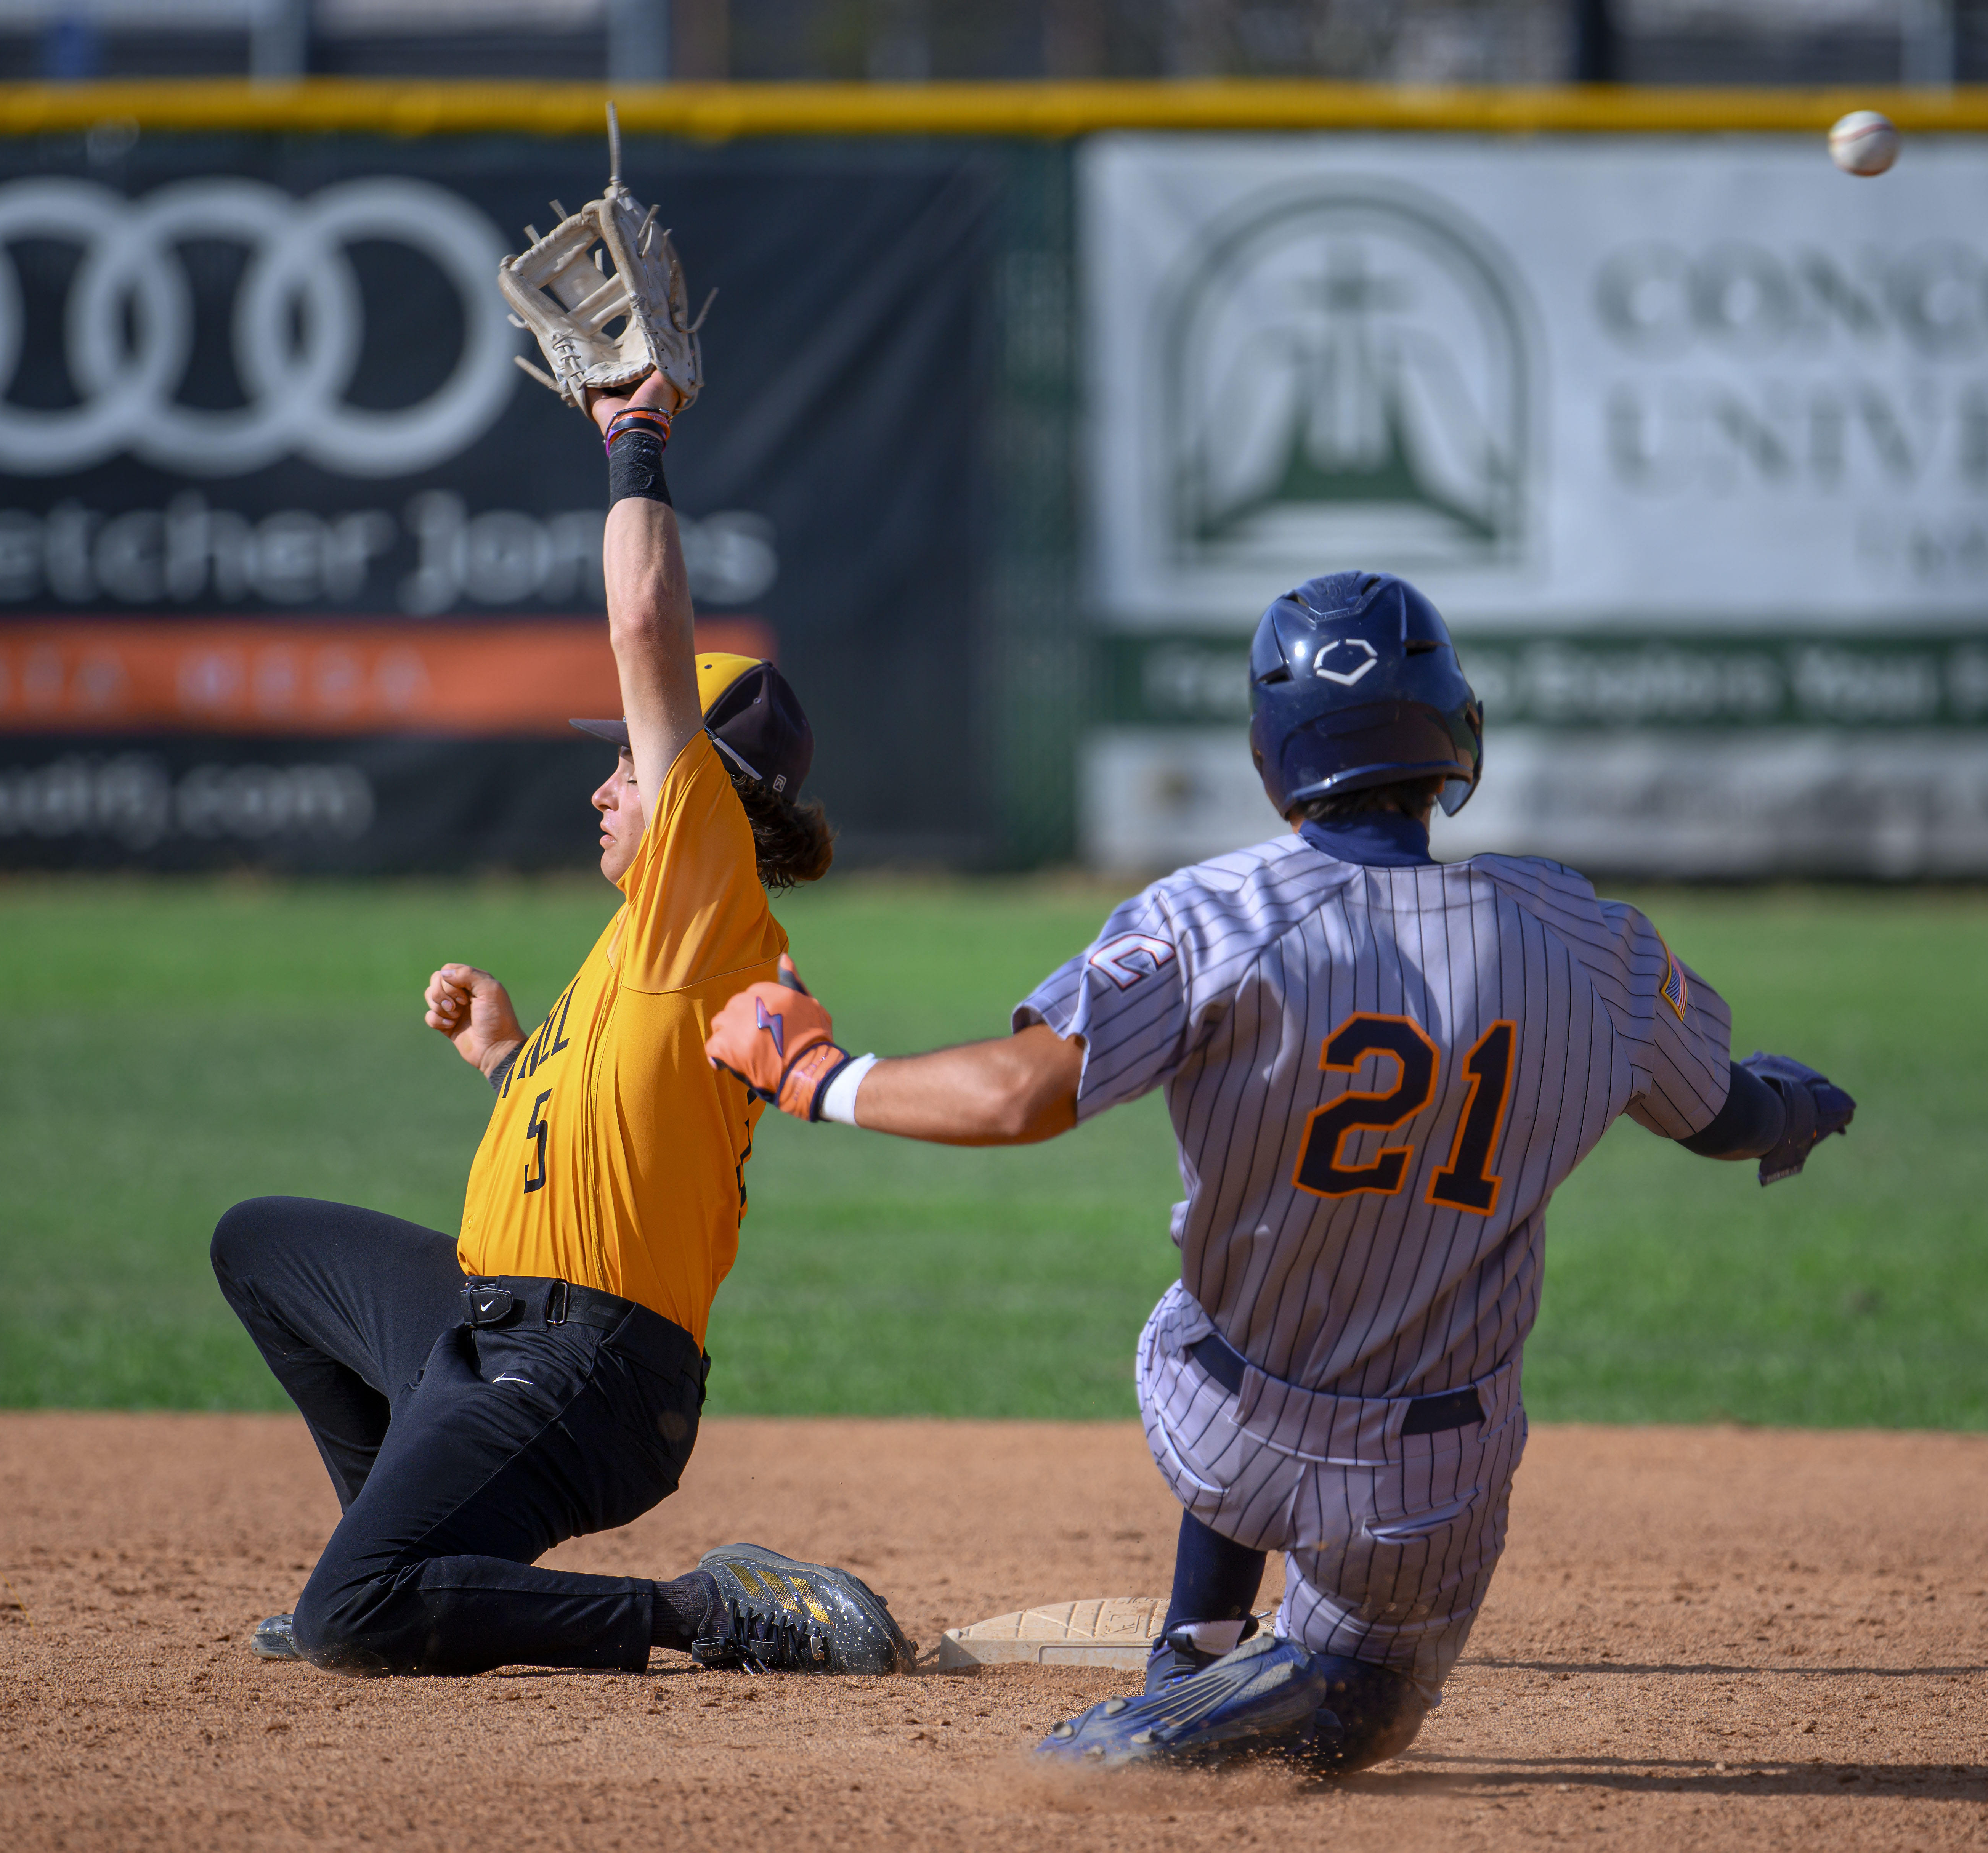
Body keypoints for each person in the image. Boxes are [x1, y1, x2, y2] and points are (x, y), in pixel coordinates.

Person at [704, 570, 1853, 1770]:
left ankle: (1193, 1649)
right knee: (1367, 1712)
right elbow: (1722, 1115)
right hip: (1422, 1482)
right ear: (1455, 732)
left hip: (1217, 1416)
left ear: (1272, 758)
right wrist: (1793, 1112)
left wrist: (814, 1074)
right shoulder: (1587, 938)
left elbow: (1017, 1096)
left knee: (1209, 1290)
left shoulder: (1216, 914)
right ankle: (1274, 1697)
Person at [210, 371, 913, 1681]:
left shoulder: (711, 893)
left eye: (629, 764)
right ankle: (400, 1553)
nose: (601, 785)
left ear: (710, 791)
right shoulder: (647, 942)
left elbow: (647, 618)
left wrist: (632, 440)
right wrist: (503, 1058)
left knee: (348, 1626)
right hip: (500, 1323)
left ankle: (707, 1611)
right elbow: (603, 1139)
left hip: (594, 1374)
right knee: (263, 1246)